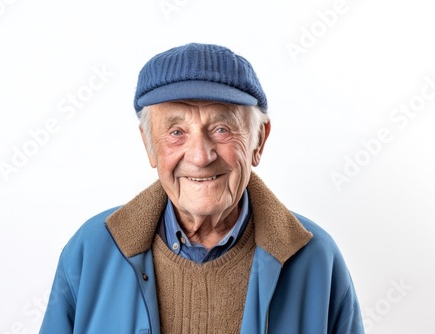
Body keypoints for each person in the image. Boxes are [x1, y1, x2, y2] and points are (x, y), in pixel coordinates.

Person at [40, 43, 364, 333]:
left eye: (221, 128)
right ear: (149, 145)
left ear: (259, 140)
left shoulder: (317, 259)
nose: (200, 156)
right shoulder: (90, 250)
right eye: (176, 132)